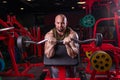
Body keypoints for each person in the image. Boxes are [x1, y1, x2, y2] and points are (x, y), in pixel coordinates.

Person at [44, 14, 79, 78]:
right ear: (55, 23)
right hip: (56, 63)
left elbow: (75, 55)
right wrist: (52, 44)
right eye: (58, 23)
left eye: (62, 23)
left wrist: (68, 44)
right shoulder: (49, 35)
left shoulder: (72, 34)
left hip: (70, 63)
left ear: (66, 23)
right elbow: (48, 55)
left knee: (71, 76)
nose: (60, 25)